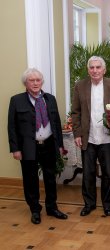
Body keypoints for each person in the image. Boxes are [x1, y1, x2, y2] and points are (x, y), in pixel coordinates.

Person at [7, 68, 68, 224]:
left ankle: (52, 207)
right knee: (30, 179)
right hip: (28, 146)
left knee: (50, 178)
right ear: (25, 83)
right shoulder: (16, 100)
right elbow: (12, 127)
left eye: (38, 80)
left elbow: (56, 123)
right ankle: (35, 210)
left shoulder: (50, 99)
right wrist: (15, 149)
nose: (35, 83)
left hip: (48, 144)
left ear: (42, 82)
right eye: (31, 80)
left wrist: (59, 145)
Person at [72, 56, 110, 217]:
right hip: (88, 137)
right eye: (92, 67)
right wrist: (77, 133)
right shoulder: (80, 86)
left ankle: (107, 205)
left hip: (107, 138)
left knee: (108, 174)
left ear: (104, 69)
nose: (95, 70)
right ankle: (89, 204)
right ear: (88, 70)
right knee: (87, 173)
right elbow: (76, 112)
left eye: (98, 67)